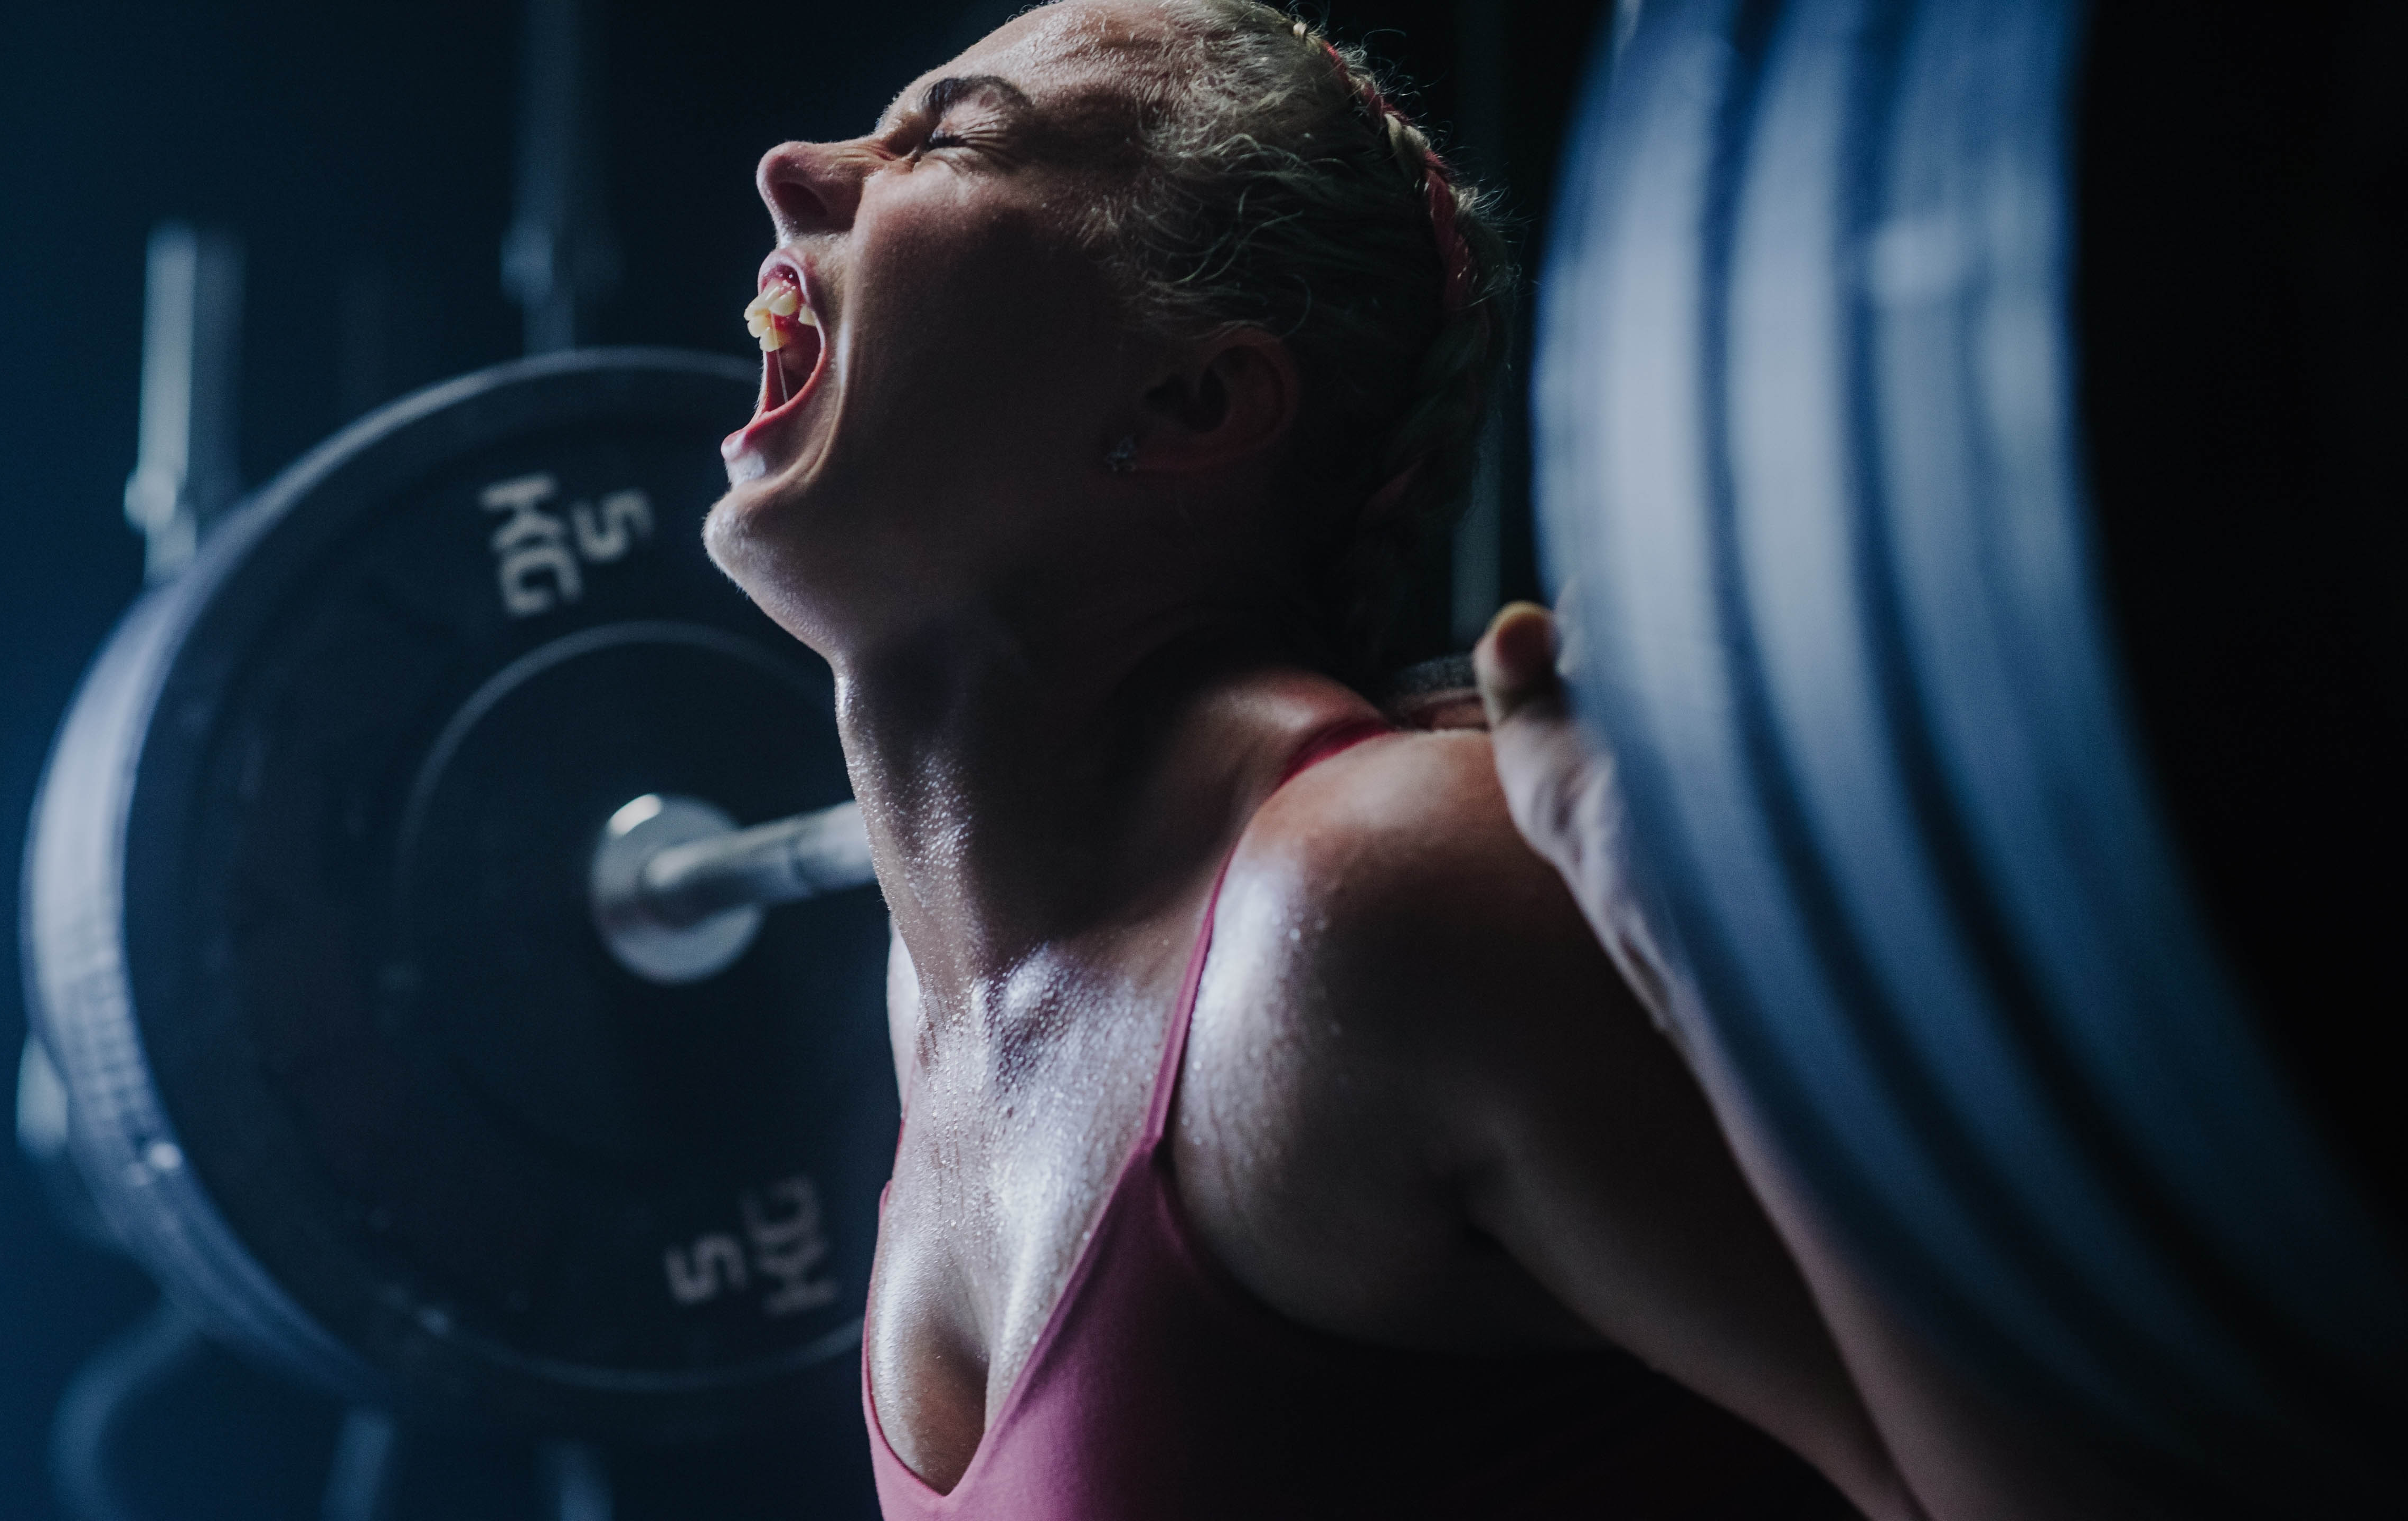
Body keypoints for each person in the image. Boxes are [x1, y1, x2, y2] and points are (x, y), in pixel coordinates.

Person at [706, 2, 1922, 1515]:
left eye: (947, 138)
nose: (791, 167)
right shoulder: (941, 981)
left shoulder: (1375, 898)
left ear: (1192, 404)